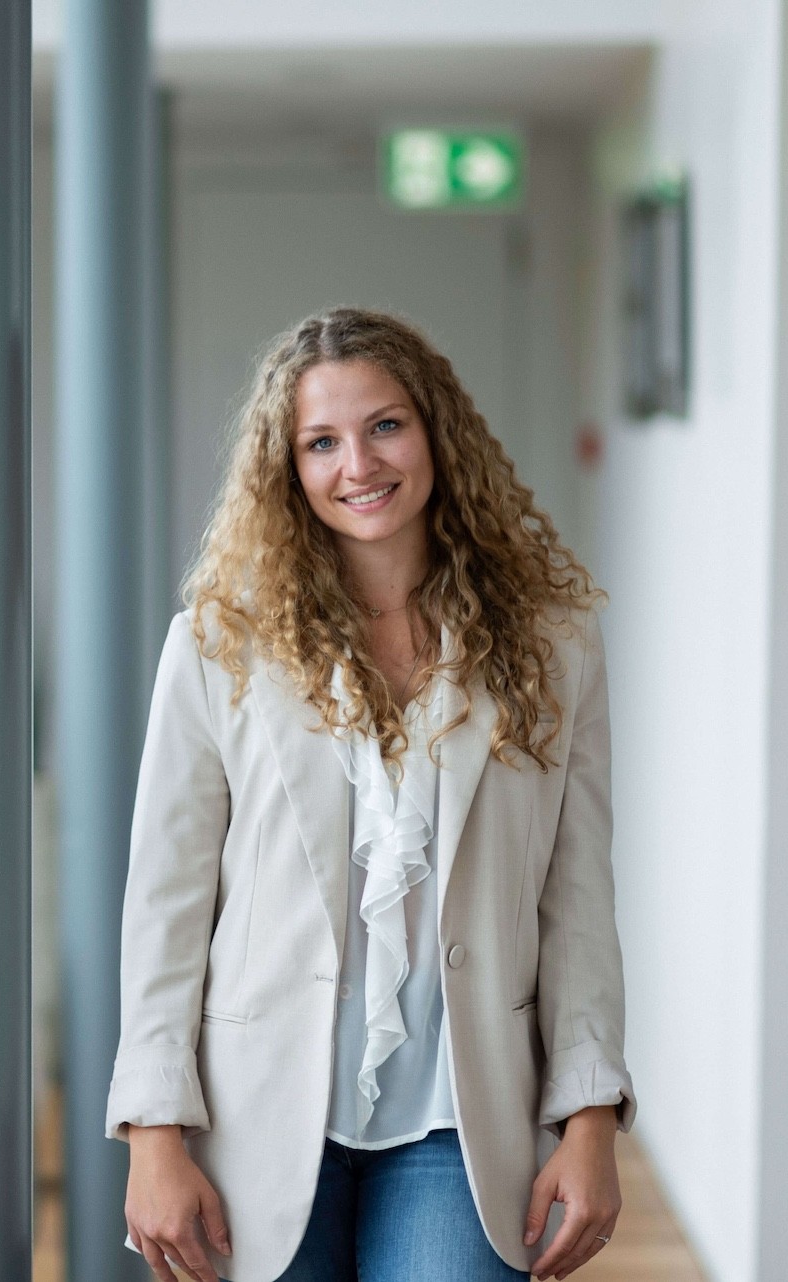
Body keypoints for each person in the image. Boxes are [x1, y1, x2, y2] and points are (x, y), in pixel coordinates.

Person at [105, 308, 636, 1282]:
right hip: (257, 1108)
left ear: (437, 431)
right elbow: (165, 904)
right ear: (289, 469)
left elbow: (578, 900)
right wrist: (151, 1132)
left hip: (459, 1114)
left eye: (385, 425)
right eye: (321, 441)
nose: (359, 463)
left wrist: (591, 1116)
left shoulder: (556, 647)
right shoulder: (217, 647)